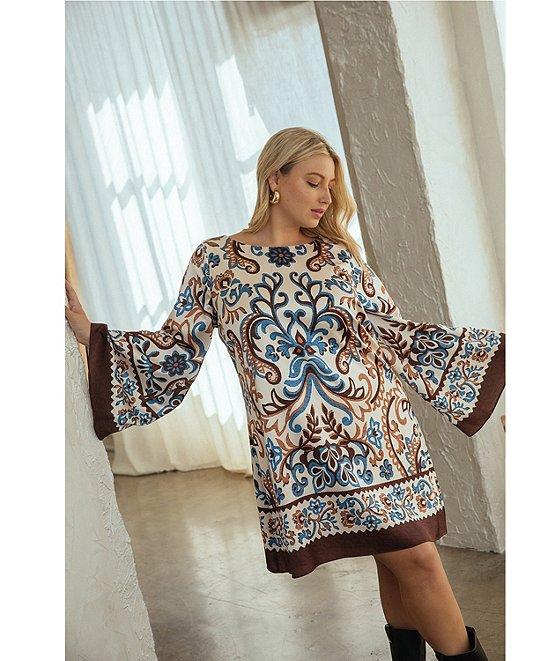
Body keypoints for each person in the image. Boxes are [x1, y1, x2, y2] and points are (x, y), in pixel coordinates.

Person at [66, 127, 505, 661]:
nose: (325, 198)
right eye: (314, 182)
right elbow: (178, 347)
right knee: (397, 559)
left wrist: (490, 357)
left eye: (330, 187)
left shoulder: (338, 257)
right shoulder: (217, 261)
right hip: (300, 451)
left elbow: (396, 333)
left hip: (380, 438)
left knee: (414, 561)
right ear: (275, 178)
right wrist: (95, 337)